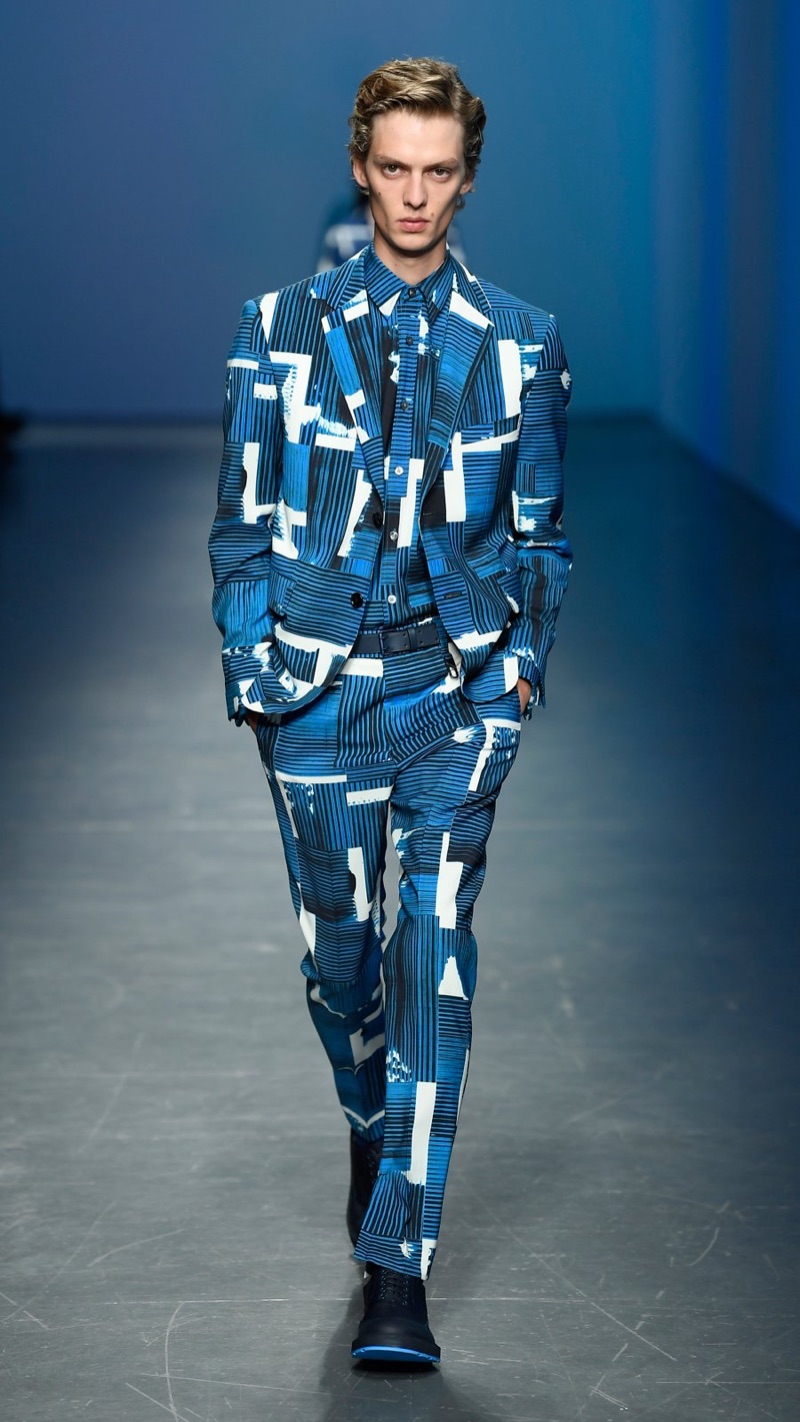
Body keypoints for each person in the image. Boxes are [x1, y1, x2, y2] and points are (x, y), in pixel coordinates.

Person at [209, 56, 572, 1366]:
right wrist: (253, 660)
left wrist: (516, 667)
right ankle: (375, 1129)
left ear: (466, 181)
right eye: (395, 169)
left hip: (452, 700)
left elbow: (542, 531)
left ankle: (398, 1269)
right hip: (314, 696)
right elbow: (244, 517)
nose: (415, 195)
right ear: (362, 170)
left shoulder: (523, 341)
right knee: (344, 967)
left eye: (440, 172)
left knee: (432, 966)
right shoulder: (277, 329)